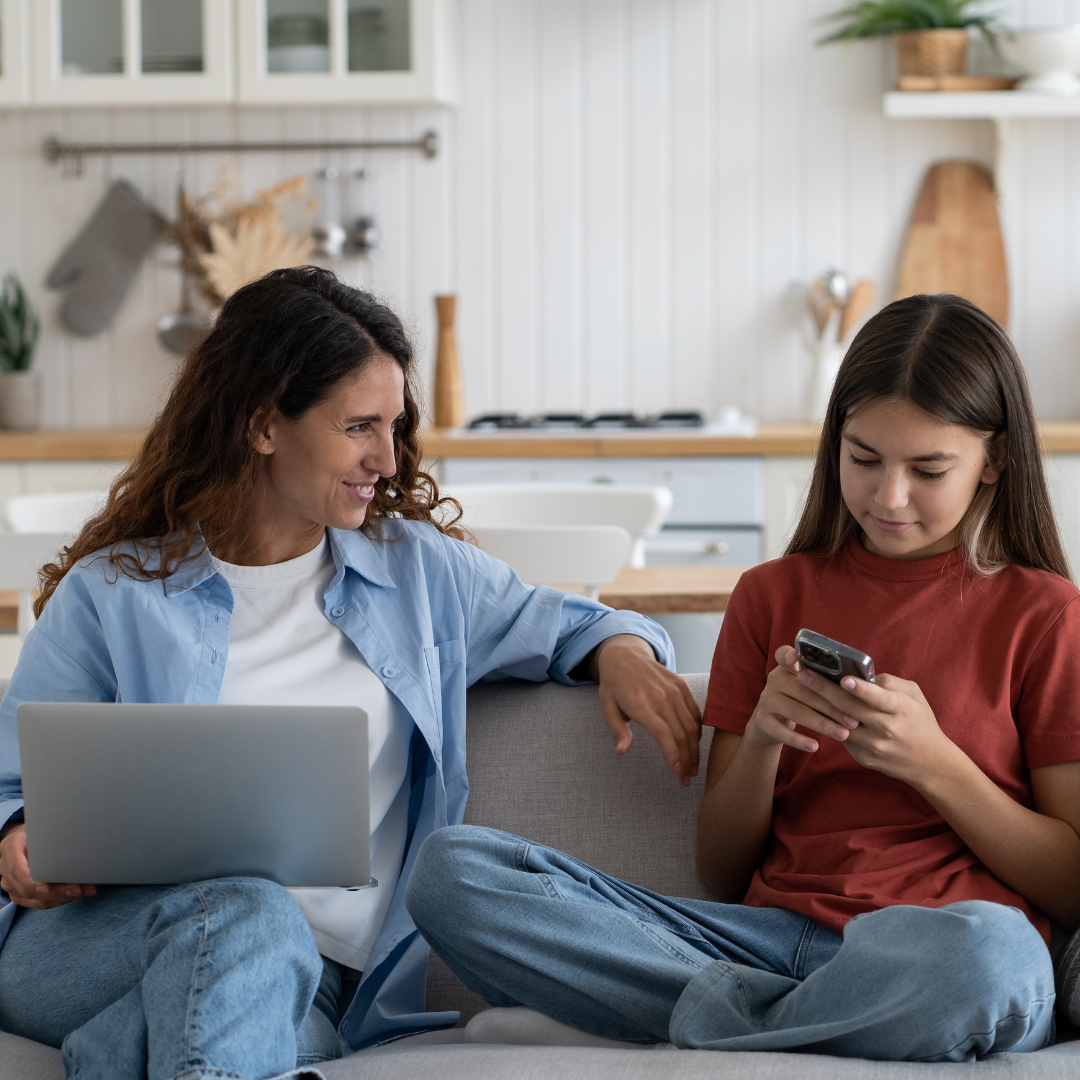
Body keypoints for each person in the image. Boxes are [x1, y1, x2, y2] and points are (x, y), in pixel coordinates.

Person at [0, 266, 701, 1080]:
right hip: (101, 942)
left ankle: (115, 1054)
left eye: (395, 426)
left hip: (318, 980)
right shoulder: (113, 593)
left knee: (249, 1005)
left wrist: (623, 652)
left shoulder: (420, 577)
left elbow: (579, 621)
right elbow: (10, 785)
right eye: (359, 426)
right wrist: (15, 841)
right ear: (263, 425)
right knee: (252, 916)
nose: (387, 457)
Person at [404, 293, 1080, 1062]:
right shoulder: (770, 595)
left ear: (995, 460)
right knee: (452, 874)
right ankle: (774, 1020)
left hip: (942, 948)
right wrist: (761, 738)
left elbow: (1070, 888)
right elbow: (721, 872)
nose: (889, 497)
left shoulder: (1047, 614)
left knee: (1000, 962)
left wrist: (937, 764)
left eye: (928, 469)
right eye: (863, 459)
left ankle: (667, 1021)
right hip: (763, 941)